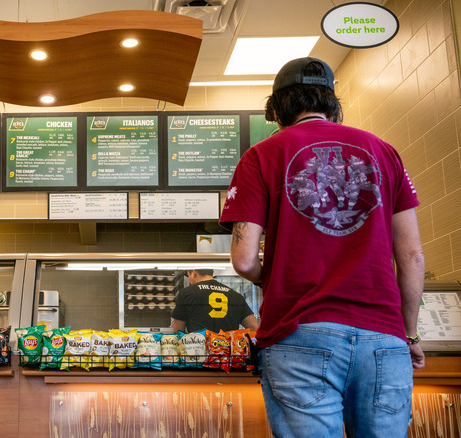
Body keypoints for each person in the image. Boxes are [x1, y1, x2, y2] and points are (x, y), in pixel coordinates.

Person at [220, 57, 425, 438]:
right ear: (332, 104)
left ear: (278, 110)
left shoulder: (261, 156)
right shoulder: (385, 152)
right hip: (384, 338)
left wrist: (277, 276)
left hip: (299, 334)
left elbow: (244, 259)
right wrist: (408, 334)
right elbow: (412, 257)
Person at [171, 269, 259, 333]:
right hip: (228, 353)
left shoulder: (187, 293)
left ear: (193, 272)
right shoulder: (236, 296)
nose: (189, 280)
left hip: (199, 354)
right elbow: (254, 327)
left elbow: (178, 331)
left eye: (188, 276)